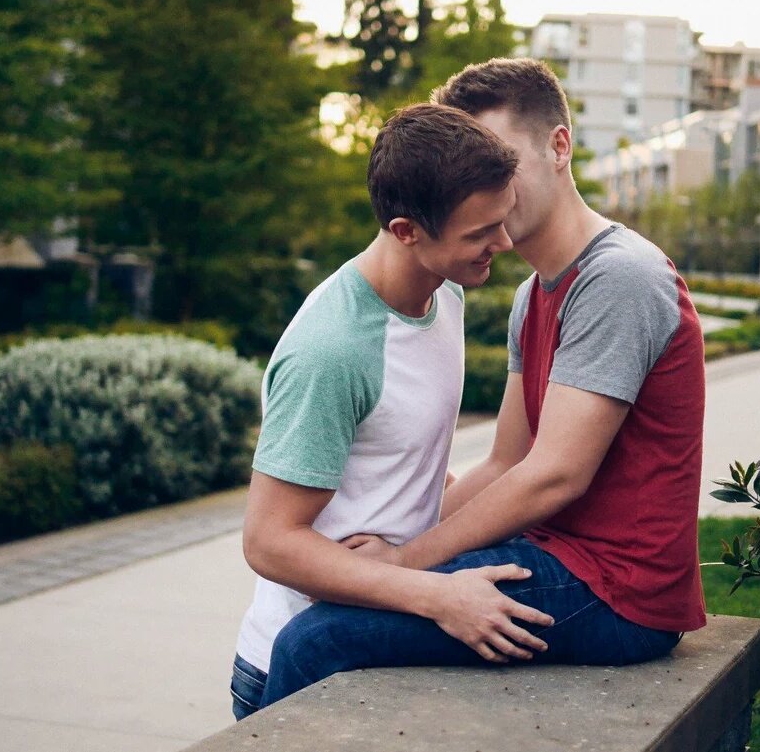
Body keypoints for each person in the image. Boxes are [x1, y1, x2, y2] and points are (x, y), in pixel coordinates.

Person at [257, 58, 707, 710]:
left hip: (618, 589)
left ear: (560, 146)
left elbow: (554, 474)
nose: (488, 187)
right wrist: (392, 557)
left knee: (315, 640)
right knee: (347, 609)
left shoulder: (620, 278)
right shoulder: (533, 295)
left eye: (502, 160)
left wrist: (404, 564)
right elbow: (505, 461)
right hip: (557, 554)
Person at [231, 102, 557, 720]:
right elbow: (269, 541)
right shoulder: (334, 350)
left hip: (378, 639)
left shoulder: (446, 291)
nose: (505, 242)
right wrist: (436, 595)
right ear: (407, 230)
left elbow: (406, 463)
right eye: (480, 232)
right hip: (298, 669)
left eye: (503, 217)